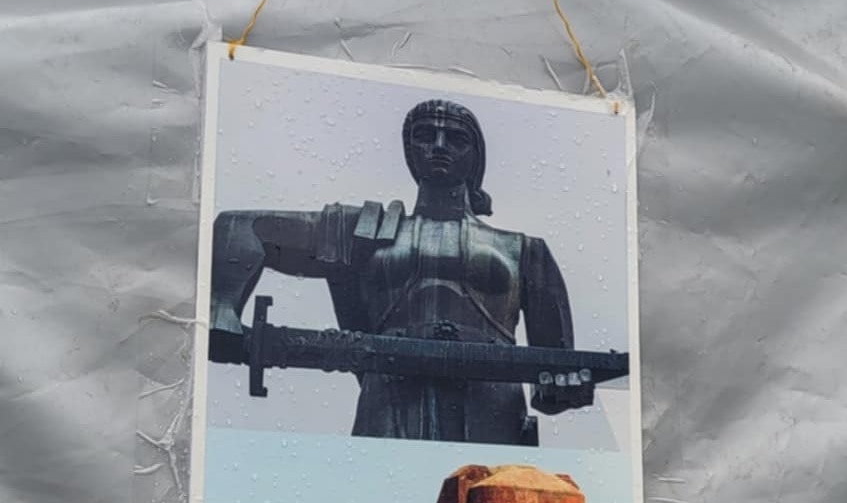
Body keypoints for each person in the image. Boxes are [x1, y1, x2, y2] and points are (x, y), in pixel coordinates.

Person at [210, 99, 594, 445]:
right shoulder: (365, 231)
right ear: (409, 151)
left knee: (490, 500)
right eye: (425, 135)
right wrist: (221, 308)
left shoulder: (522, 250)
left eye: (456, 139)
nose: (439, 146)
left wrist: (563, 387)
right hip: (390, 400)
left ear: (476, 157)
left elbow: (557, 367)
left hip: (491, 410)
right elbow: (241, 226)